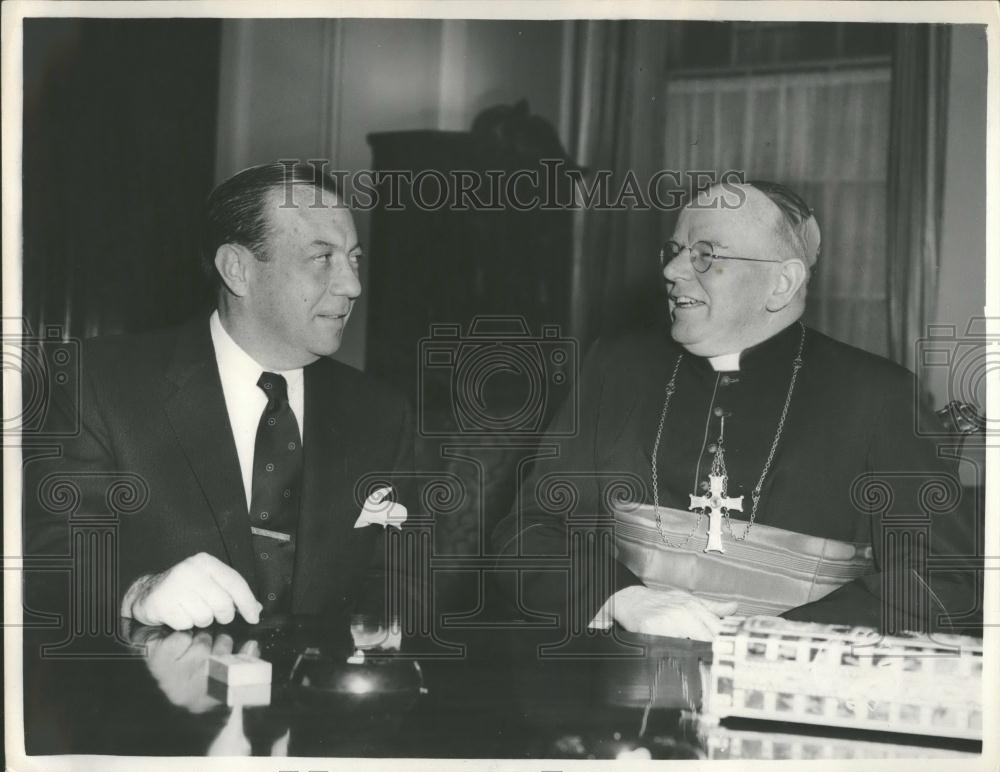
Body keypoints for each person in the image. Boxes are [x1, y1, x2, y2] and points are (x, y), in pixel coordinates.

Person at [491, 181, 978, 641]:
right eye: (675, 251)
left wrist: (778, 639)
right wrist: (623, 597)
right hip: (618, 672)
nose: (673, 270)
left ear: (782, 283)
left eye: (705, 255)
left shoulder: (879, 396)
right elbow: (528, 530)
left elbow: (943, 580)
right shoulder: (617, 367)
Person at [24, 162, 414, 631]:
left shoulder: (380, 413)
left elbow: (401, 580)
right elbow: (48, 557)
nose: (352, 285)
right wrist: (137, 592)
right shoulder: (100, 384)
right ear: (237, 270)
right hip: (153, 696)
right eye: (322, 257)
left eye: (354, 258)